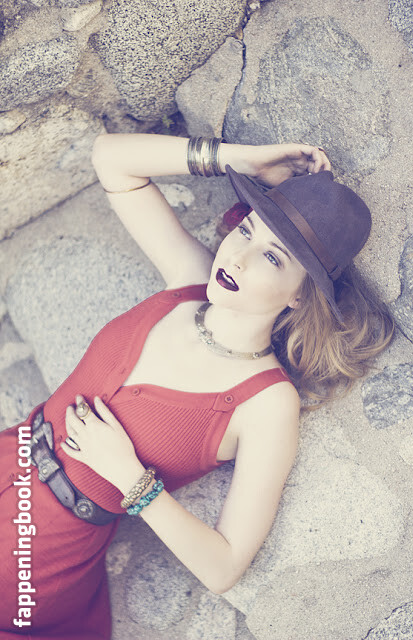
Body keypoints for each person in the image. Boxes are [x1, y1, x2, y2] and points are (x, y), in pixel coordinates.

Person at [0, 134, 393, 639]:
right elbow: (111, 160)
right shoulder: (191, 280)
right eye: (246, 230)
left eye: (274, 258)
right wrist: (237, 158)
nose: (239, 257)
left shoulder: (267, 403)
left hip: (35, 555)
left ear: (301, 295)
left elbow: (224, 566)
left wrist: (131, 479)